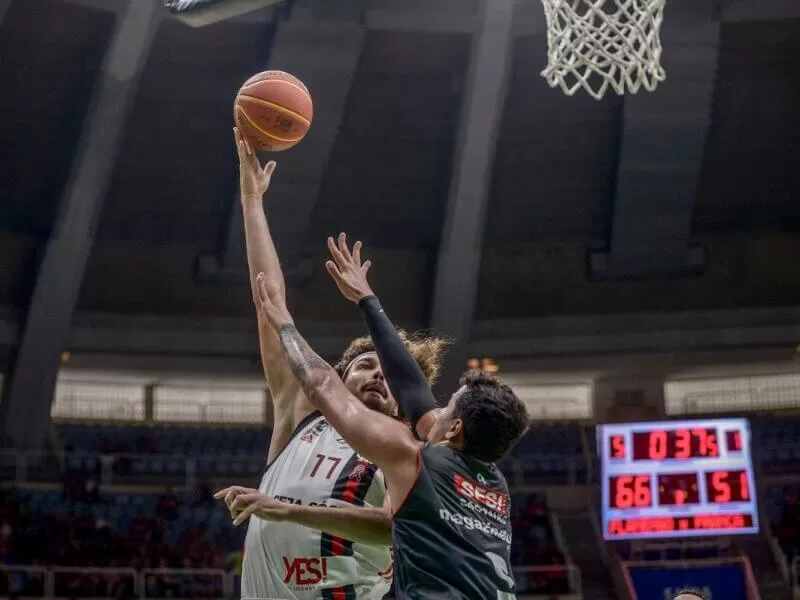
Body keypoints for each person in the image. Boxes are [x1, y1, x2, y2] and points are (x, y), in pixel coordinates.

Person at [214, 130, 445, 600]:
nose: (377, 372)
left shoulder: (407, 445)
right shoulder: (300, 416)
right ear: (337, 379)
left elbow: (398, 528)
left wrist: (282, 509)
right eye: (363, 364)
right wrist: (251, 202)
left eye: (385, 368)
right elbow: (269, 299)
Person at [254, 233, 531, 599]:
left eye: (447, 408)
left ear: (455, 428)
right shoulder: (494, 486)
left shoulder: (414, 459)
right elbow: (414, 390)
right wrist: (368, 301)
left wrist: (286, 328)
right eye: (366, 366)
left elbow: (323, 385)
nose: (434, 408)